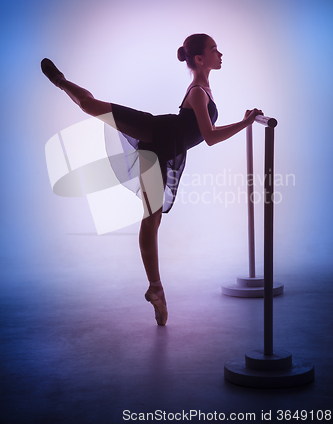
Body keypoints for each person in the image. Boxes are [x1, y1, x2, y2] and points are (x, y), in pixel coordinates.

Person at [41, 33, 262, 327]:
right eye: (214, 50)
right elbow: (209, 137)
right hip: (155, 133)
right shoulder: (198, 91)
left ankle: (156, 289)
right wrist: (245, 123)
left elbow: (204, 129)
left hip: (164, 148)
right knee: (91, 106)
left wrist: (243, 122)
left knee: (153, 218)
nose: (220, 54)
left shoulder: (204, 89)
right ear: (199, 58)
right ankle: (60, 80)